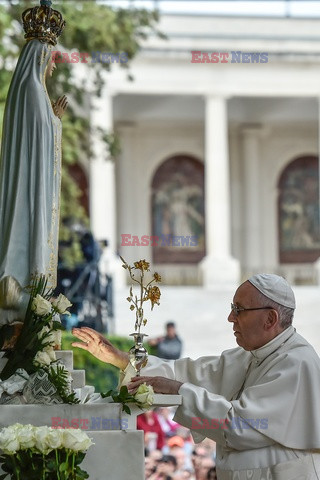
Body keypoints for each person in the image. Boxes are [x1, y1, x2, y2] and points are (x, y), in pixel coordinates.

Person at [72, 273, 320, 479]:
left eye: (239, 309)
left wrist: (178, 390)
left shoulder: (296, 362)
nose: (230, 317)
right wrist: (120, 358)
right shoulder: (248, 356)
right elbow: (188, 372)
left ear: (270, 318)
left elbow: (241, 427)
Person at [0, 0, 67, 289]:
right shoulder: (34, 90)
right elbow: (41, 135)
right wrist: (56, 120)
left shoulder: (24, 89)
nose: (53, 65)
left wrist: (50, 119)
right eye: (51, 58)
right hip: (29, 183)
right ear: (41, 56)